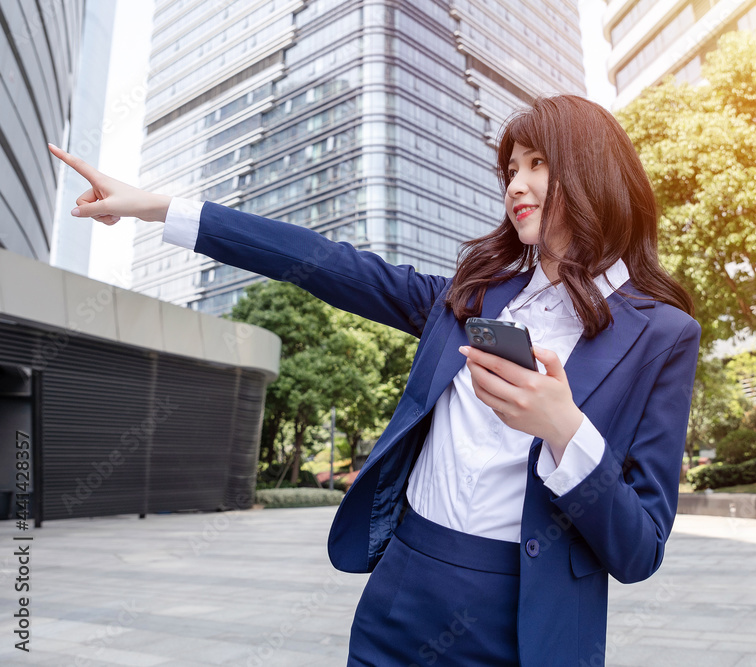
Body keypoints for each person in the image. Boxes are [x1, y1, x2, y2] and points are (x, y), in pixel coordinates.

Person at [49, 94, 700, 666]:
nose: (516, 185)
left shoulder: (662, 334)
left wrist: (565, 429)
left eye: (537, 163)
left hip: (526, 624)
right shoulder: (471, 298)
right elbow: (325, 263)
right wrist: (159, 207)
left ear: (592, 171)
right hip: (402, 590)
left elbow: (639, 547)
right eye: (510, 169)